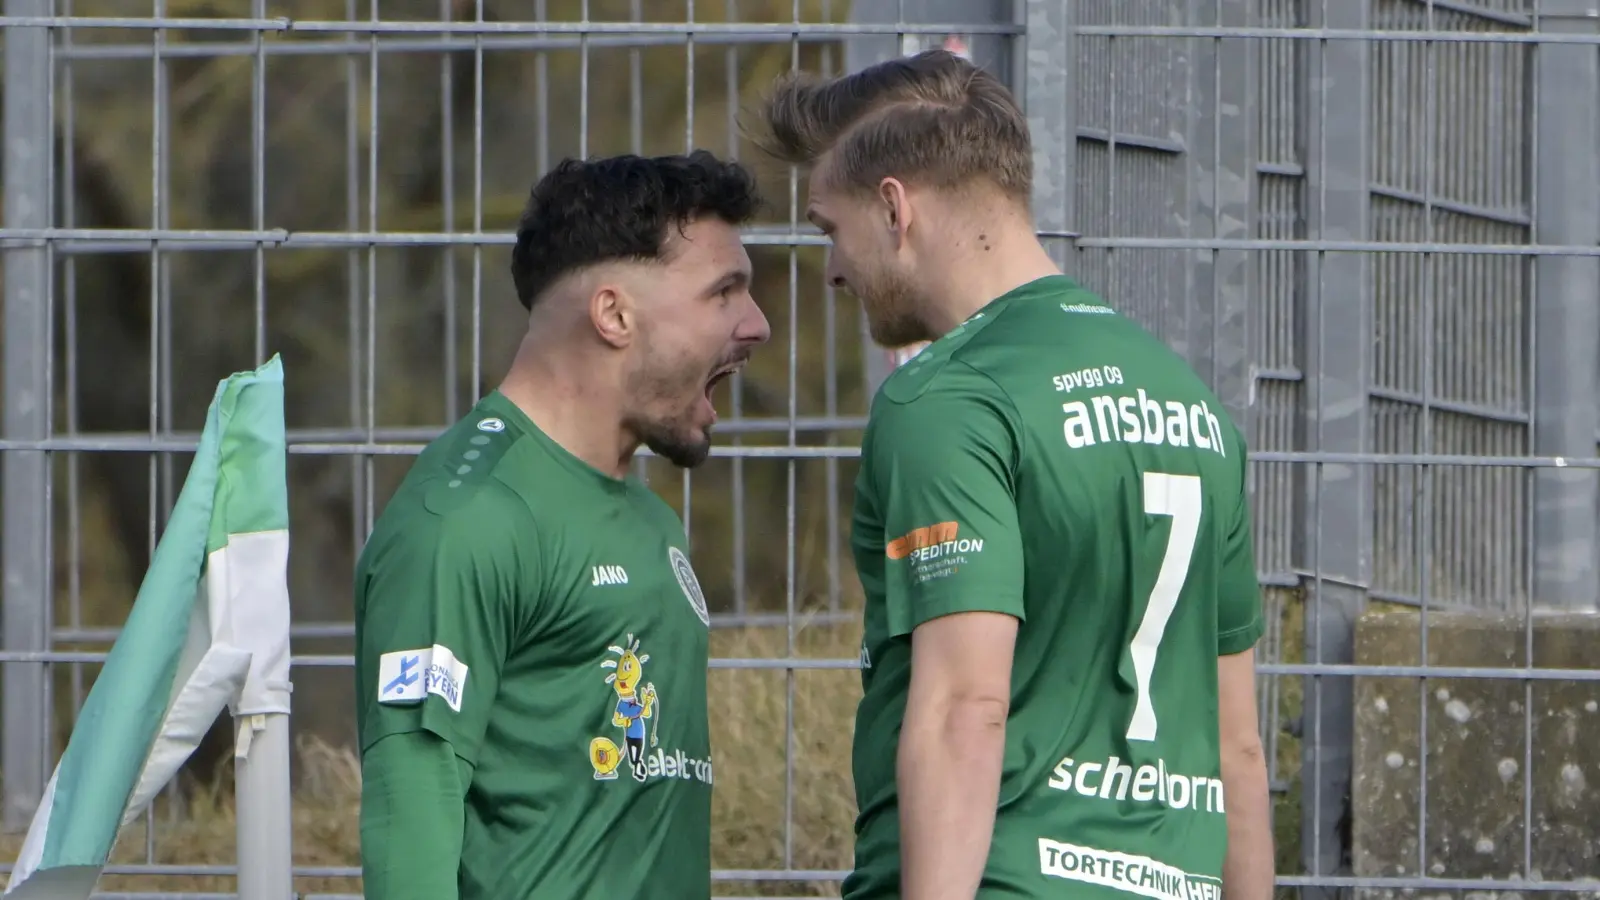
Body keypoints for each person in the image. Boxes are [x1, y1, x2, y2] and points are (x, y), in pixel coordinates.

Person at [747, 49, 1274, 900]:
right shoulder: (1191, 405)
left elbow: (965, 707)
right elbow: (1237, 746)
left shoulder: (947, 399)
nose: (833, 269)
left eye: (827, 229)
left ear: (893, 208)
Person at [352, 150, 772, 900]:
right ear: (614, 315)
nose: (757, 325)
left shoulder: (650, 519)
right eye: (724, 292)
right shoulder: (469, 516)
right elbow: (411, 806)